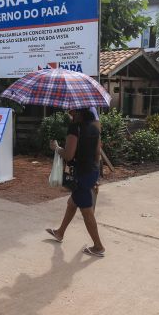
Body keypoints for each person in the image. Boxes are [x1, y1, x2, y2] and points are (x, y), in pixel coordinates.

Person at [46, 108, 105, 257]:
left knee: (86, 211)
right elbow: (98, 153)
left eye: (71, 111)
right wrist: (96, 177)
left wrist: (56, 148)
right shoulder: (94, 127)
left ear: (78, 112)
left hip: (81, 174)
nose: (69, 114)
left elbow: (68, 155)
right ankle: (60, 232)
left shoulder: (75, 128)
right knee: (72, 203)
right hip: (92, 171)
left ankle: (98, 246)